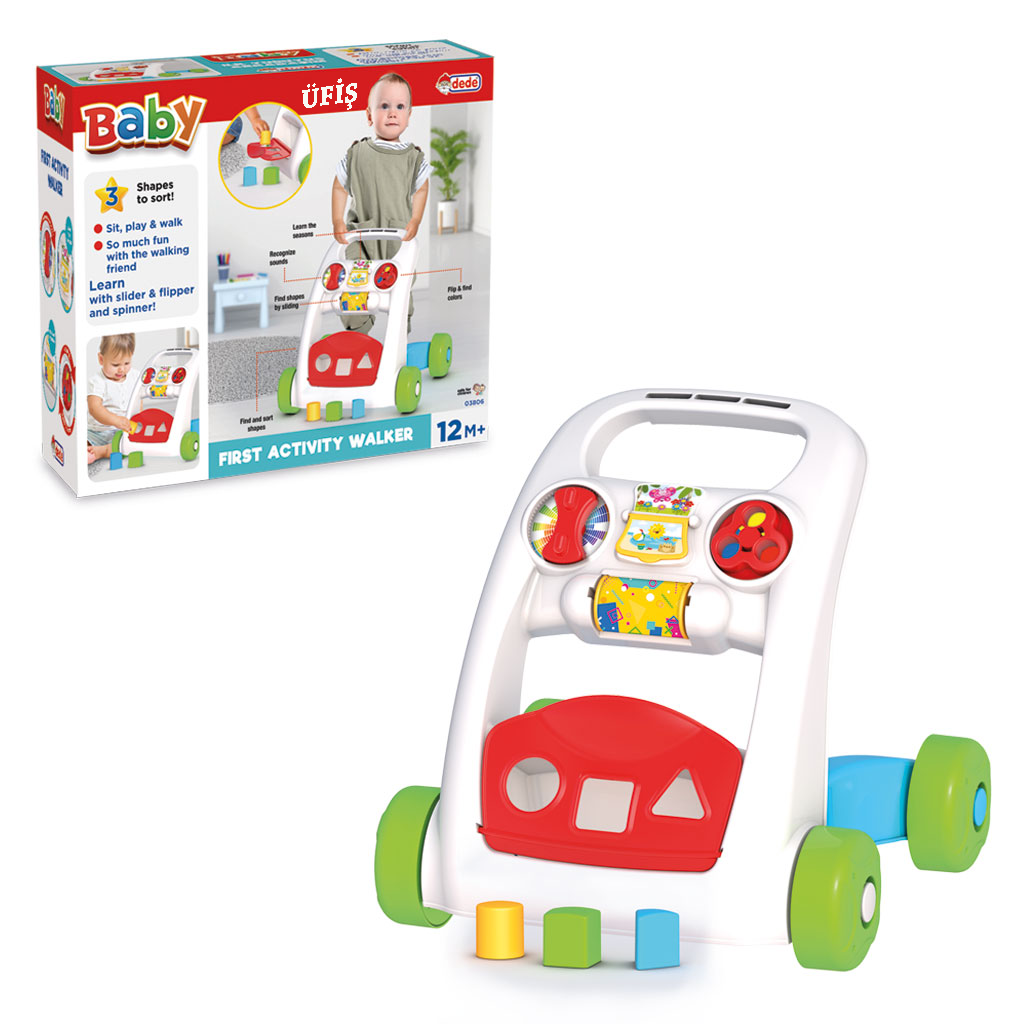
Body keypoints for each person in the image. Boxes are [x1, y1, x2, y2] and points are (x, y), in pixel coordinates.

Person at [331, 73, 429, 332]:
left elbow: (421, 188)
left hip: (398, 239)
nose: (392, 113)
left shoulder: (414, 158)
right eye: (384, 106)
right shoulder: (356, 153)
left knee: (401, 289)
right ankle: (356, 333)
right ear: (369, 115)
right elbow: (339, 186)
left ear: (409, 115)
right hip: (361, 239)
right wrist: (338, 220)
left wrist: (416, 219)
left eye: (400, 106)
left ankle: (399, 336)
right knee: (353, 286)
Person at [86, 334, 140, 464]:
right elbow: (94, 408)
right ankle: (92, 449)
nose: (121, 369)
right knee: (77, 444)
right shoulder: (97, 381)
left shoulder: (135, 376)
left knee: (131, 445)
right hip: (97, 432)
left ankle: (102, 451)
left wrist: (136, 421)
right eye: (115, 364)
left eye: (127, 363)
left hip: (123, 432)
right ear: (101, 359)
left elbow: (138, 401)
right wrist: (115, 420)